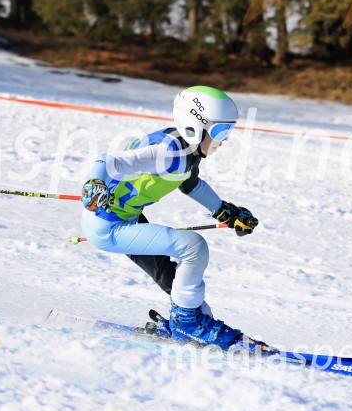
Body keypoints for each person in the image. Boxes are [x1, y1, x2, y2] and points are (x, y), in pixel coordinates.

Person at [80, 86, 259, 350]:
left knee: (182, 287)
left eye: (228, 132)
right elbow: (109, 162)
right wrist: (92, 185)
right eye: (221, 131)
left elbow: (190, 184)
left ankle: (191, 325)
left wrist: (225, 211)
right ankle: (187, 324)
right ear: (195, 127)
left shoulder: (187, 152)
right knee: (193, 247)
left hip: (128, 218)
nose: (225, 140)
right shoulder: (167, 153)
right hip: (109, 225)